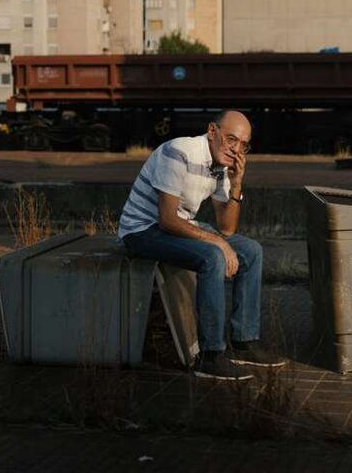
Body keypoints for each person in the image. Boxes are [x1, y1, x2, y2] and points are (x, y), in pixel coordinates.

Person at [118, 110, 285, 381]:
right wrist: (218, 243)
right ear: (212, 130)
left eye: (244, 145)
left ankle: (244, 341)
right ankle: (210, 355)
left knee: (251, 251)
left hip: (178, 226)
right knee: (212, 257)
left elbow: (227, 227)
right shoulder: (179, 151)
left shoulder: (220, 165)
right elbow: (167, 220)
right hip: (142, 231)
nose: (236, 150)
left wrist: (237, 183)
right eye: (231, 139)